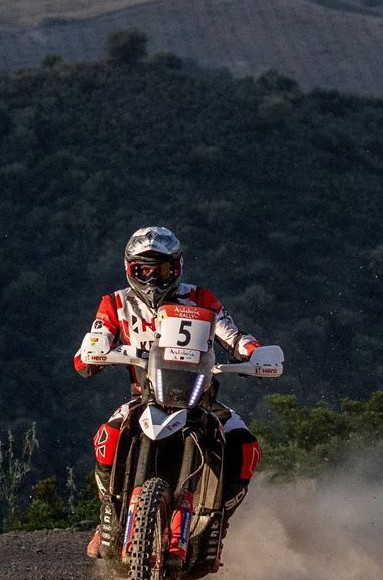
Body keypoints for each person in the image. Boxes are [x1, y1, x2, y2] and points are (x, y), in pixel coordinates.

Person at [74, 225, 264, 559]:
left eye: (160, 269)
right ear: (129, 269)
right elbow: (97, 335)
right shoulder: (115, 303)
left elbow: (231, 333)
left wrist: (253, 352)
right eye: (142, 269)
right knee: (108, 438)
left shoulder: (200, 298)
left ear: (176, 268)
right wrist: (94, 349)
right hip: (143, 397)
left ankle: (217, 519)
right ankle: (110, 513)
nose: (151, 278)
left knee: (245, 447)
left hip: (200, 399)